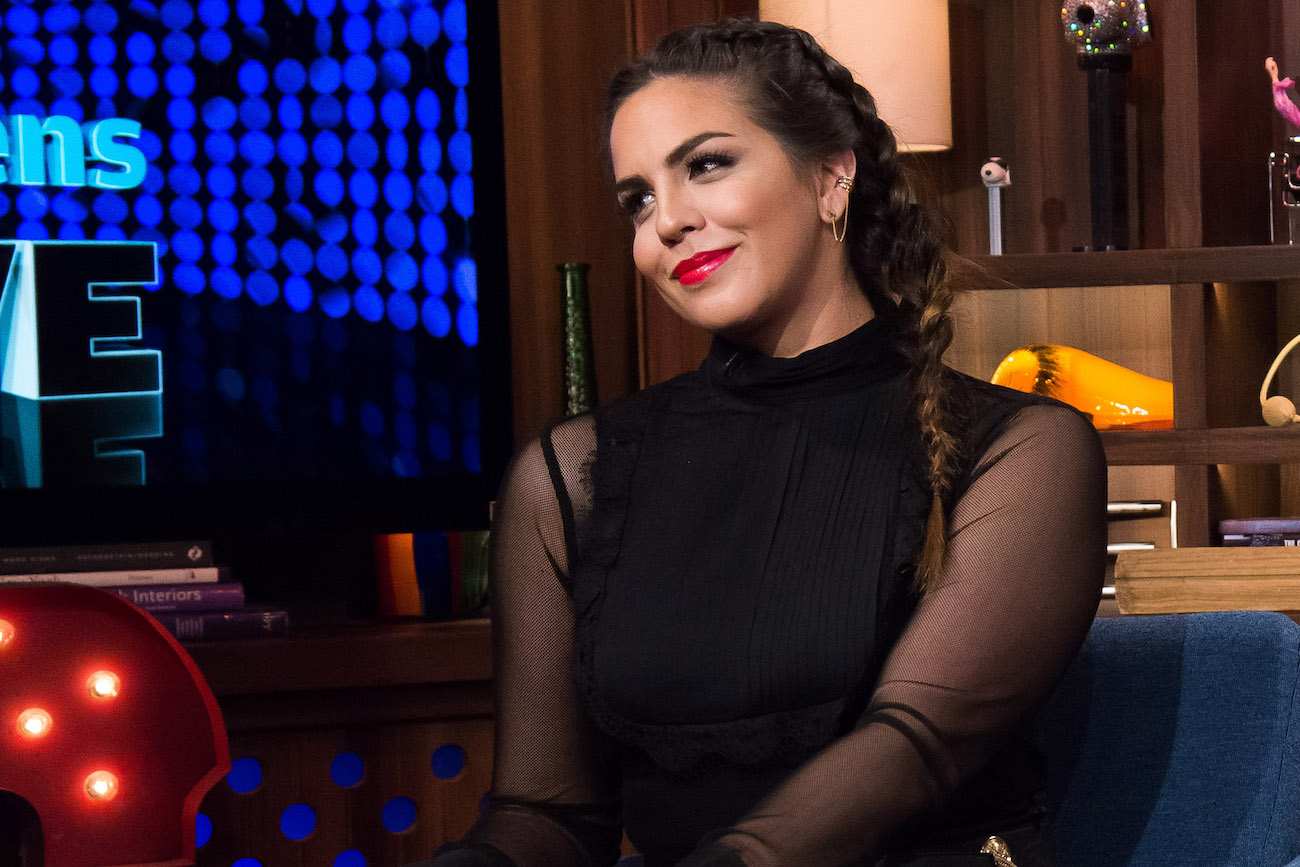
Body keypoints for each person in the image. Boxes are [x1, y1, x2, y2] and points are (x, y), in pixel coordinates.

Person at [425, 18, 1106, 867]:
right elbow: (549, 813)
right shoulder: (571, 475)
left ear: (830, 177)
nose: (667, 223)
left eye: (706, 165)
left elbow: (911, 750)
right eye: (638, 200)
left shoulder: (1025, 451)